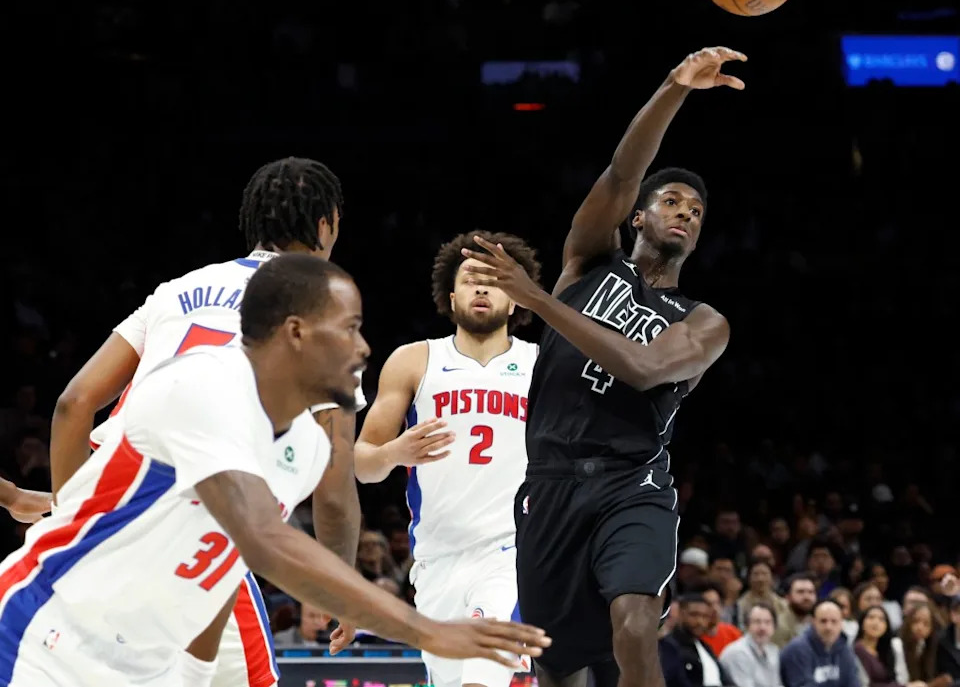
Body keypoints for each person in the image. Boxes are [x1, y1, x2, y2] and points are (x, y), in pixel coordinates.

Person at [0, 255, 550, 687]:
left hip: (140, 658)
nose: (364, 348)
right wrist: (426, 630)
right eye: (350, 328)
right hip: (46, 631)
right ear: (297, 332)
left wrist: (192, 678)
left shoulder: (308, 447)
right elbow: (265, 543)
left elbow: (223, 560)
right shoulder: (202, 388)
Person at [459, 47, 744, 687]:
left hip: (631, 480)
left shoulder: (704, 320)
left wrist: (534, 299)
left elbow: (643, 369)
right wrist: (675, 86)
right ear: (638, 216)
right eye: (672, 201)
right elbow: (622, 170)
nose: (686, 214)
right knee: (559, 667)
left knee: (637, 625)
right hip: (551, 481)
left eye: (696, 213)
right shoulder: (589, 261)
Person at [47, 157, 365, 687]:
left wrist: (71, 523)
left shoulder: (175, 292)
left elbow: (73, 404)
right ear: (327, 223)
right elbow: (333, 494)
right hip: (198, 534)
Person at [355, 230, 542, 687]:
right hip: (436, 561)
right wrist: (396, 452)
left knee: (481, 678)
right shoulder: (415, 360)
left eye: (495, 279)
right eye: (472, 278)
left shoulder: (542, 364)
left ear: (517, 297)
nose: (482, 288)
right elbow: (361, 462)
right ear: (451, 294)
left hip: (509, 552)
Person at [780, 600, 860, 687]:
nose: (828, 627)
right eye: (823, 621)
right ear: (813, 622)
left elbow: (853, 683)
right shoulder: (797, 649)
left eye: (834, 621)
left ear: (841, 624)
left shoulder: (844, 648)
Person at [718, 603, 782, 687]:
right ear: (747, 626)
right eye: (757, 622)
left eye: (767, 622)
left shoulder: (773, 650)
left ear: (774, 627)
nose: (762, 627)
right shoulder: (738, 653)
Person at [852, 606, 912, 687]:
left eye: (881, 619)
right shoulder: (856, 650)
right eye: (871, 617)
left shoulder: (888, 649)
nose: (876, 622)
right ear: (862, 622)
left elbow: (902, 678)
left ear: (886, 626)